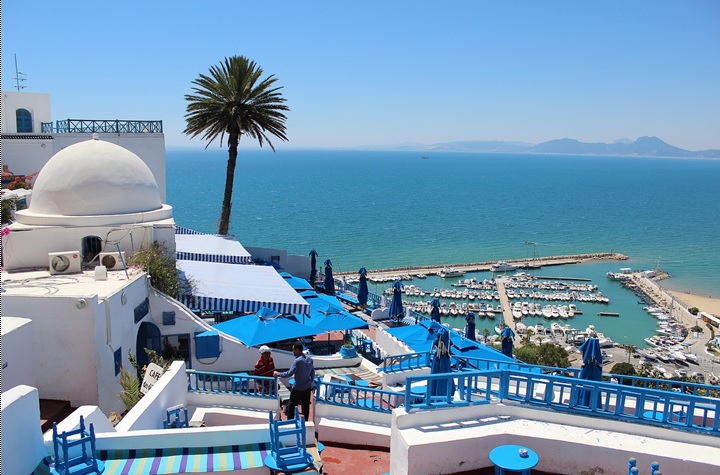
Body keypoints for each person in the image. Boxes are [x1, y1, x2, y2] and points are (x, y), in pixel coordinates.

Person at [274, 343, 315, 420]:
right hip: (307, 388)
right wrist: (309, 383)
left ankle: (290, 422)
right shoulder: (310, 360)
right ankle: (305, 422)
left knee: (292, 405)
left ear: (297, 349)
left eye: (293, 350)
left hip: (298, 388)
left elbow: (289, 373)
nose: (292, 351)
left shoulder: (297, 361)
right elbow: (312, 373)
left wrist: (278, 374)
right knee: (305, 406)